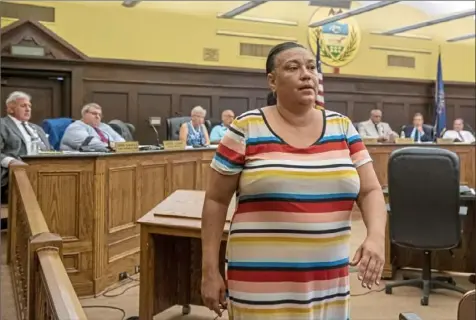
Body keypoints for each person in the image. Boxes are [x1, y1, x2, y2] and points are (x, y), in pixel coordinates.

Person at [201, 42, 387, 320]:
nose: (306, 74)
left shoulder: (342, 127)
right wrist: (209, 271)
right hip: (259, 285)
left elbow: (371, 190)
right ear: (272, 81)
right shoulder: (246, 127)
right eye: (293, 67)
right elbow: (215, 200)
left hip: (327, 283)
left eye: (311, 67)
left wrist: (376, 237)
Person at [1, 91, 51, 229]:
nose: (28, 109)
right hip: (14, 172)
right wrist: (11, 162)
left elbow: (50, 150)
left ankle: (51, 225)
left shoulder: (37, 129)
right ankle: (31, 229)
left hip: (42, 170)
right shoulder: (2, 125)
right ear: (10, 108)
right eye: (23, 105)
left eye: (29, 106)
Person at [60, 103, 125, 151]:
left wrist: (124, 147)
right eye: (94, 113)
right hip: (81, 163)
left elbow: (119, 139)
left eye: (100, 115)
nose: (97, 117)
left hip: (108, 156)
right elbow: (92, 144)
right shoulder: (75, 127)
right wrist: (116, 147)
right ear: (84, 114)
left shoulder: (104, 126)